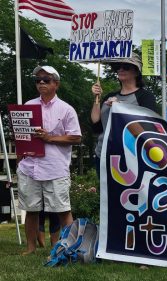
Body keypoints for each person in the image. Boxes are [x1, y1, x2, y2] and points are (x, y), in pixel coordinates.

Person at [17, 66, 81, 255]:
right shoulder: (28, 106)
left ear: (56, 84)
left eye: (46, 79)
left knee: (63, 210)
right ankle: (30, 248)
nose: (41, 83)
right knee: (31, 209)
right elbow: (22, 136)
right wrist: (19, 160)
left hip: (55, 168)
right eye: (38, 80)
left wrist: (49, 138)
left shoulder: (66, 109)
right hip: (30, 167)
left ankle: (71, 249)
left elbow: (76, 137)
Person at [91, 53, 159, 178]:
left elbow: (148, 128)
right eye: (118, 66)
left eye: (126, 66)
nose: (121, 69)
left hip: (130, 157)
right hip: (103, 154)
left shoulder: (145, 97)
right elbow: (96, 123)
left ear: (136, 72)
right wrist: (97, 99)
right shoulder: (110, 96)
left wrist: (120, 107)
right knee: (105, 196)